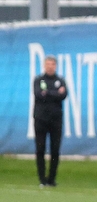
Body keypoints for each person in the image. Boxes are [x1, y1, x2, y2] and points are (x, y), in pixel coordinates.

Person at [32, 55, 68, 187]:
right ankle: (42, 179)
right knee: (40, 149)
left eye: (52, 64)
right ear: (44, 65)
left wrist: (47, 92)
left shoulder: (60, 80)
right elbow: (38, 94)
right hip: (40, 119)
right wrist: (55, 93)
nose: (50, 66)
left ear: (56, 66)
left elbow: (63, 95)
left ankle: (51, 179)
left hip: (56, 120)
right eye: (48, 64)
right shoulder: (38, 80)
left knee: (55, 150)